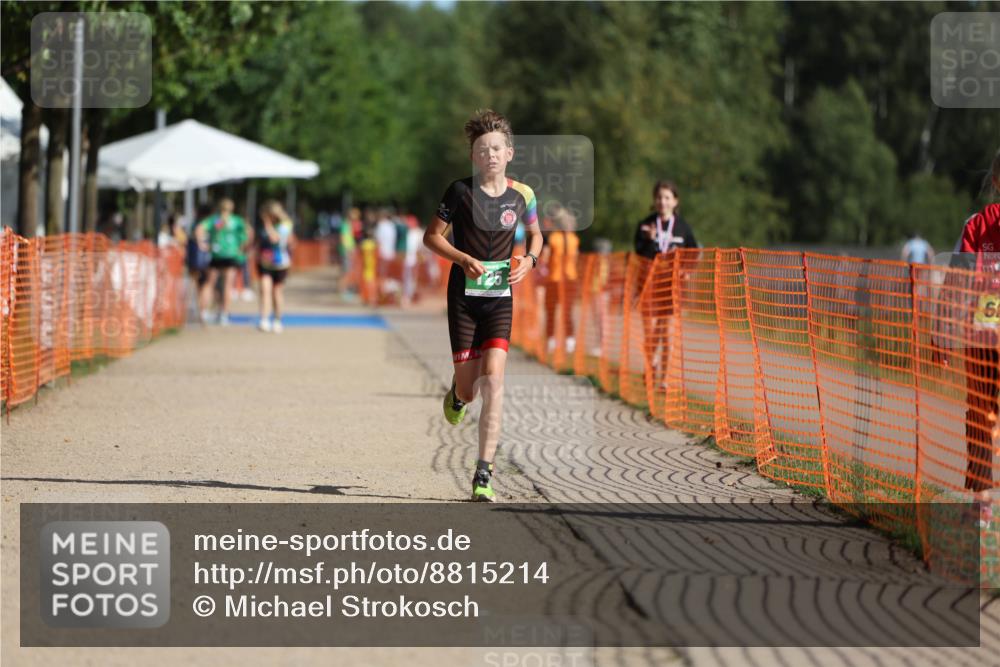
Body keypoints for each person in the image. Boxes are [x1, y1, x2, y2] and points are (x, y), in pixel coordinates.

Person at [423, 109, 543, 502]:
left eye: (496, 148)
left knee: (494, 379)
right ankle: (457, 395)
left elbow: (537, 235)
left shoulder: (523, 194)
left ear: (509, 153)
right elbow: (431, 238)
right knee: (470, 389)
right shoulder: (459, 192)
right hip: (463, 297)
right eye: (482, 149)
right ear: (474, 156)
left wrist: (529, 260)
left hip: (499, 300)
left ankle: (483, 473)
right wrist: (460, 258)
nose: (490, 154)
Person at [951, 148, 1000, 524]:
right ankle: (983, 497)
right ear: (996, 182)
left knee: (985, 419)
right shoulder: (977, 226)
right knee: (981, 418)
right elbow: (956, 282)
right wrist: (942, 331)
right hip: (981, 341)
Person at [633, 180, 698, 389]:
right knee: (651, 332)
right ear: (654, 200)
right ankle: (650, 368)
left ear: (675, 201)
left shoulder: (682, 227)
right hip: (649, 286)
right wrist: (651, 240)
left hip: (672, 287)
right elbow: (639, 252)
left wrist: (686, 270)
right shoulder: (646, 225)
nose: (663, 202)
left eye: (667, 197)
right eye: (659, 197)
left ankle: (665, 379)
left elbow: (693, 252)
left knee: (667, 333)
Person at [196, 198, 249, 326]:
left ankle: (203, 312)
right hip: (231, 254)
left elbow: (199, 229)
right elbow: (248, 232)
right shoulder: (236, 221)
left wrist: (201, 244)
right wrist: (241, 247)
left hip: (216, 254)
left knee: (209, 283)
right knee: (227, 285)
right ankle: (224, 314)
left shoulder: (215, 220)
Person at [540, 204, 580, 355]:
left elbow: (544, 258)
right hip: (570, 278)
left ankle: (551, 340)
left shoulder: (553, 238)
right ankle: (570, 341)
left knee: (551, 311)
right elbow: (575, 257)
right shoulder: (574, 239)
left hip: (554, 279)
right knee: (567, 311)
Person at [256, 200, 295, 333]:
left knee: (276, 292)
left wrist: (268, 225)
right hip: (264, 262)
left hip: (280, 263)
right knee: (264, 290)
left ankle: (277, 320)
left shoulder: (285, 225)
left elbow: (275, 239)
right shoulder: (262, 226)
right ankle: (264, 319)